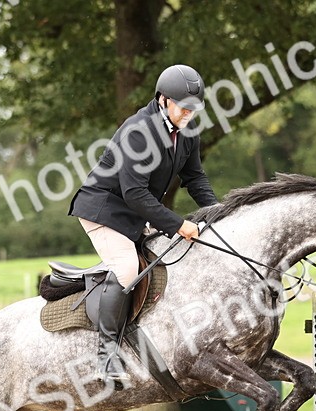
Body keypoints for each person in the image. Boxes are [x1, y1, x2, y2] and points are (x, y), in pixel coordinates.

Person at [68, 64, 220, 383]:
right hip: (104, 208)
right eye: (183, 106)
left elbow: (194, 177)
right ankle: (106, 354)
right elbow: (134, 193)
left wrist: (217, 212)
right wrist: (179, 224)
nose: (189, 113)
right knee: (126, 267)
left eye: (194, 108)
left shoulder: (187, 129)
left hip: (135, 210)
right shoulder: (139, 131)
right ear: (163, 99)